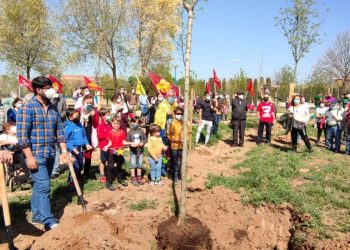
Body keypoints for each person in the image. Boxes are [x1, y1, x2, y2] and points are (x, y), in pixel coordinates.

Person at [16, 76, 71, 230]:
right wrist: (30, 157)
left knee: (39, 186)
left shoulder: (53, 107)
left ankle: (37, 216)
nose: (51, 90)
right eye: (47, 87)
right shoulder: (28, 108)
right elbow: (22, 136)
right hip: (36, 153)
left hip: (50, 153)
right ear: (38, 90)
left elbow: (59, 131)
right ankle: (48, 219)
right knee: (44, 186)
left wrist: (64, 151)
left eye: (50, 86)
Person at [64, 108, 92, 186]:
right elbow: (65, 141)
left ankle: (78, 179)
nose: (78, 117)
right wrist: (72, 148)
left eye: (78, 115)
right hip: (73, 151)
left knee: (80, 166)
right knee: (75, 166)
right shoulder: (68, 127)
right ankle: (71, 182)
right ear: (70, 117)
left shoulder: (79, 124)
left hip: (81, 150)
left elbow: (84, 136)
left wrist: (87, 144)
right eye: (76, 116)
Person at [103, 117, 128, 190]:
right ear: (111, 124)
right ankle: (108, 182)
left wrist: (130, 143)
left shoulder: (122, 132)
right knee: (110, 167)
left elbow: (123, 142)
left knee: (119, 166)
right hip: (112, 152)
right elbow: (110, 142)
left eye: (118, 123)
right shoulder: (109, 132)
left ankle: (120, 179)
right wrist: (106, 146)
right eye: (115, 123)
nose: (116, 125)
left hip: (120, 151)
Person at [79, 94, 99, 179]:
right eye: (87, 103)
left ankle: (86, 173)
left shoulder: (94, 111)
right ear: (83, 102)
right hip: (79, 134)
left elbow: (96, 124)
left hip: (89, 134)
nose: (89, 105)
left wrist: (93, 116)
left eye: (91, 103)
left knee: (87, 155)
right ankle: (77, 172)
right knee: (78, 154)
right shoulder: (79, 110)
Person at [50, 88, 67, 178]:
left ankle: (55, 170)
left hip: (60, 123)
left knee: (57, 148)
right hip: (50, 126)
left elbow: (65, 109)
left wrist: (59, 116)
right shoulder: (48, 98)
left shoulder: (62, 98)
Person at [126, 116, 147, 186]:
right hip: (133, 151)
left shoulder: (141, 131)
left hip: (140, 151)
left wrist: (142, 143)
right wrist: (131, 144)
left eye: (137, 122)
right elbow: (127, 141)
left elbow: (145, 139)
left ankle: (139, 176)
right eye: (134, 122)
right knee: (132, 164)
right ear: (131, 122)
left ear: (139, 123)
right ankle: (133, 177)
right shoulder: (129, 132)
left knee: (139, 164)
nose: (135, 123)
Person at [168, 107, 184, 183]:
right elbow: (169, 135)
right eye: (178, 113)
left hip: (182, 145)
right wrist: (177, 140)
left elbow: (188, 133)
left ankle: (180, 175)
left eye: (181, 114)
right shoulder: (172, 123)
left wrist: (185, 139)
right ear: (175, 114)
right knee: (174, 161)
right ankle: (174, 176)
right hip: (174, 145)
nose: (180, 115)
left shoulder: (184, 123)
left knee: (181, 161)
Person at [96, 108, 112, 183]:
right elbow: (99, 136)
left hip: (111, 146)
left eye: (109, 115)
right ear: (102, 116)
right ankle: (102, 175)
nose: (109, 116)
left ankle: (109, 173)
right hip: (104, 146)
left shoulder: (110, 124)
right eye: (107, 115)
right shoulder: (100, 126)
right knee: (103, 160)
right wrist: (107, 136)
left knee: (110, 160)